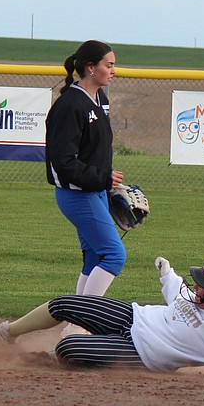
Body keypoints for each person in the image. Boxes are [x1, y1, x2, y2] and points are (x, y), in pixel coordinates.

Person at [0, 256, 204, 380]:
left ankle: (48, 356)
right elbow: (176, 290)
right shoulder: (194, 297)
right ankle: (5, 333)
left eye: (202, 285)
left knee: (68, 348)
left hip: (141, 355)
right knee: (65, 304)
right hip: (132, 317)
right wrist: (167, 272)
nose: (196, 286)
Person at [46, 39, 125, 297]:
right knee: (114, 255)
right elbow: (62, 162)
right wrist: (102, 178)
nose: (114, 70)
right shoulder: (70, 105)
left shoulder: (98, 97)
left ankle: (74, 320)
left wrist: (107, 182)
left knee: (94, 258)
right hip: (77, 194)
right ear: (91, 68)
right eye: (109, 65)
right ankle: (84, 319)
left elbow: (94, 150)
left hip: (94, 191)